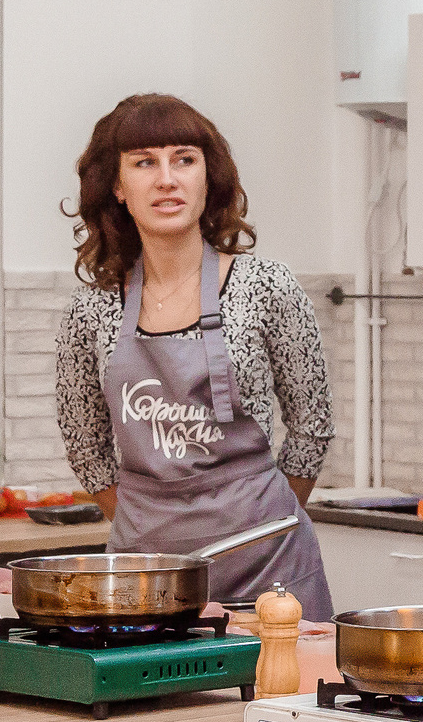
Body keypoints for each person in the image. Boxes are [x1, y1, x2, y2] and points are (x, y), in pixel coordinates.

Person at [54, 93, 335, 618]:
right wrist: (147, 523)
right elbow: (85, 445)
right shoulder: (91, 309)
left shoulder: (267, 286)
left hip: (268, 565)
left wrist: (263, 518)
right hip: (148, 572)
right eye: (144, 163)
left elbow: (312, 424)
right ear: (117, 187)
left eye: (184, 159)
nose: (167, 179)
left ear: (208, 177)